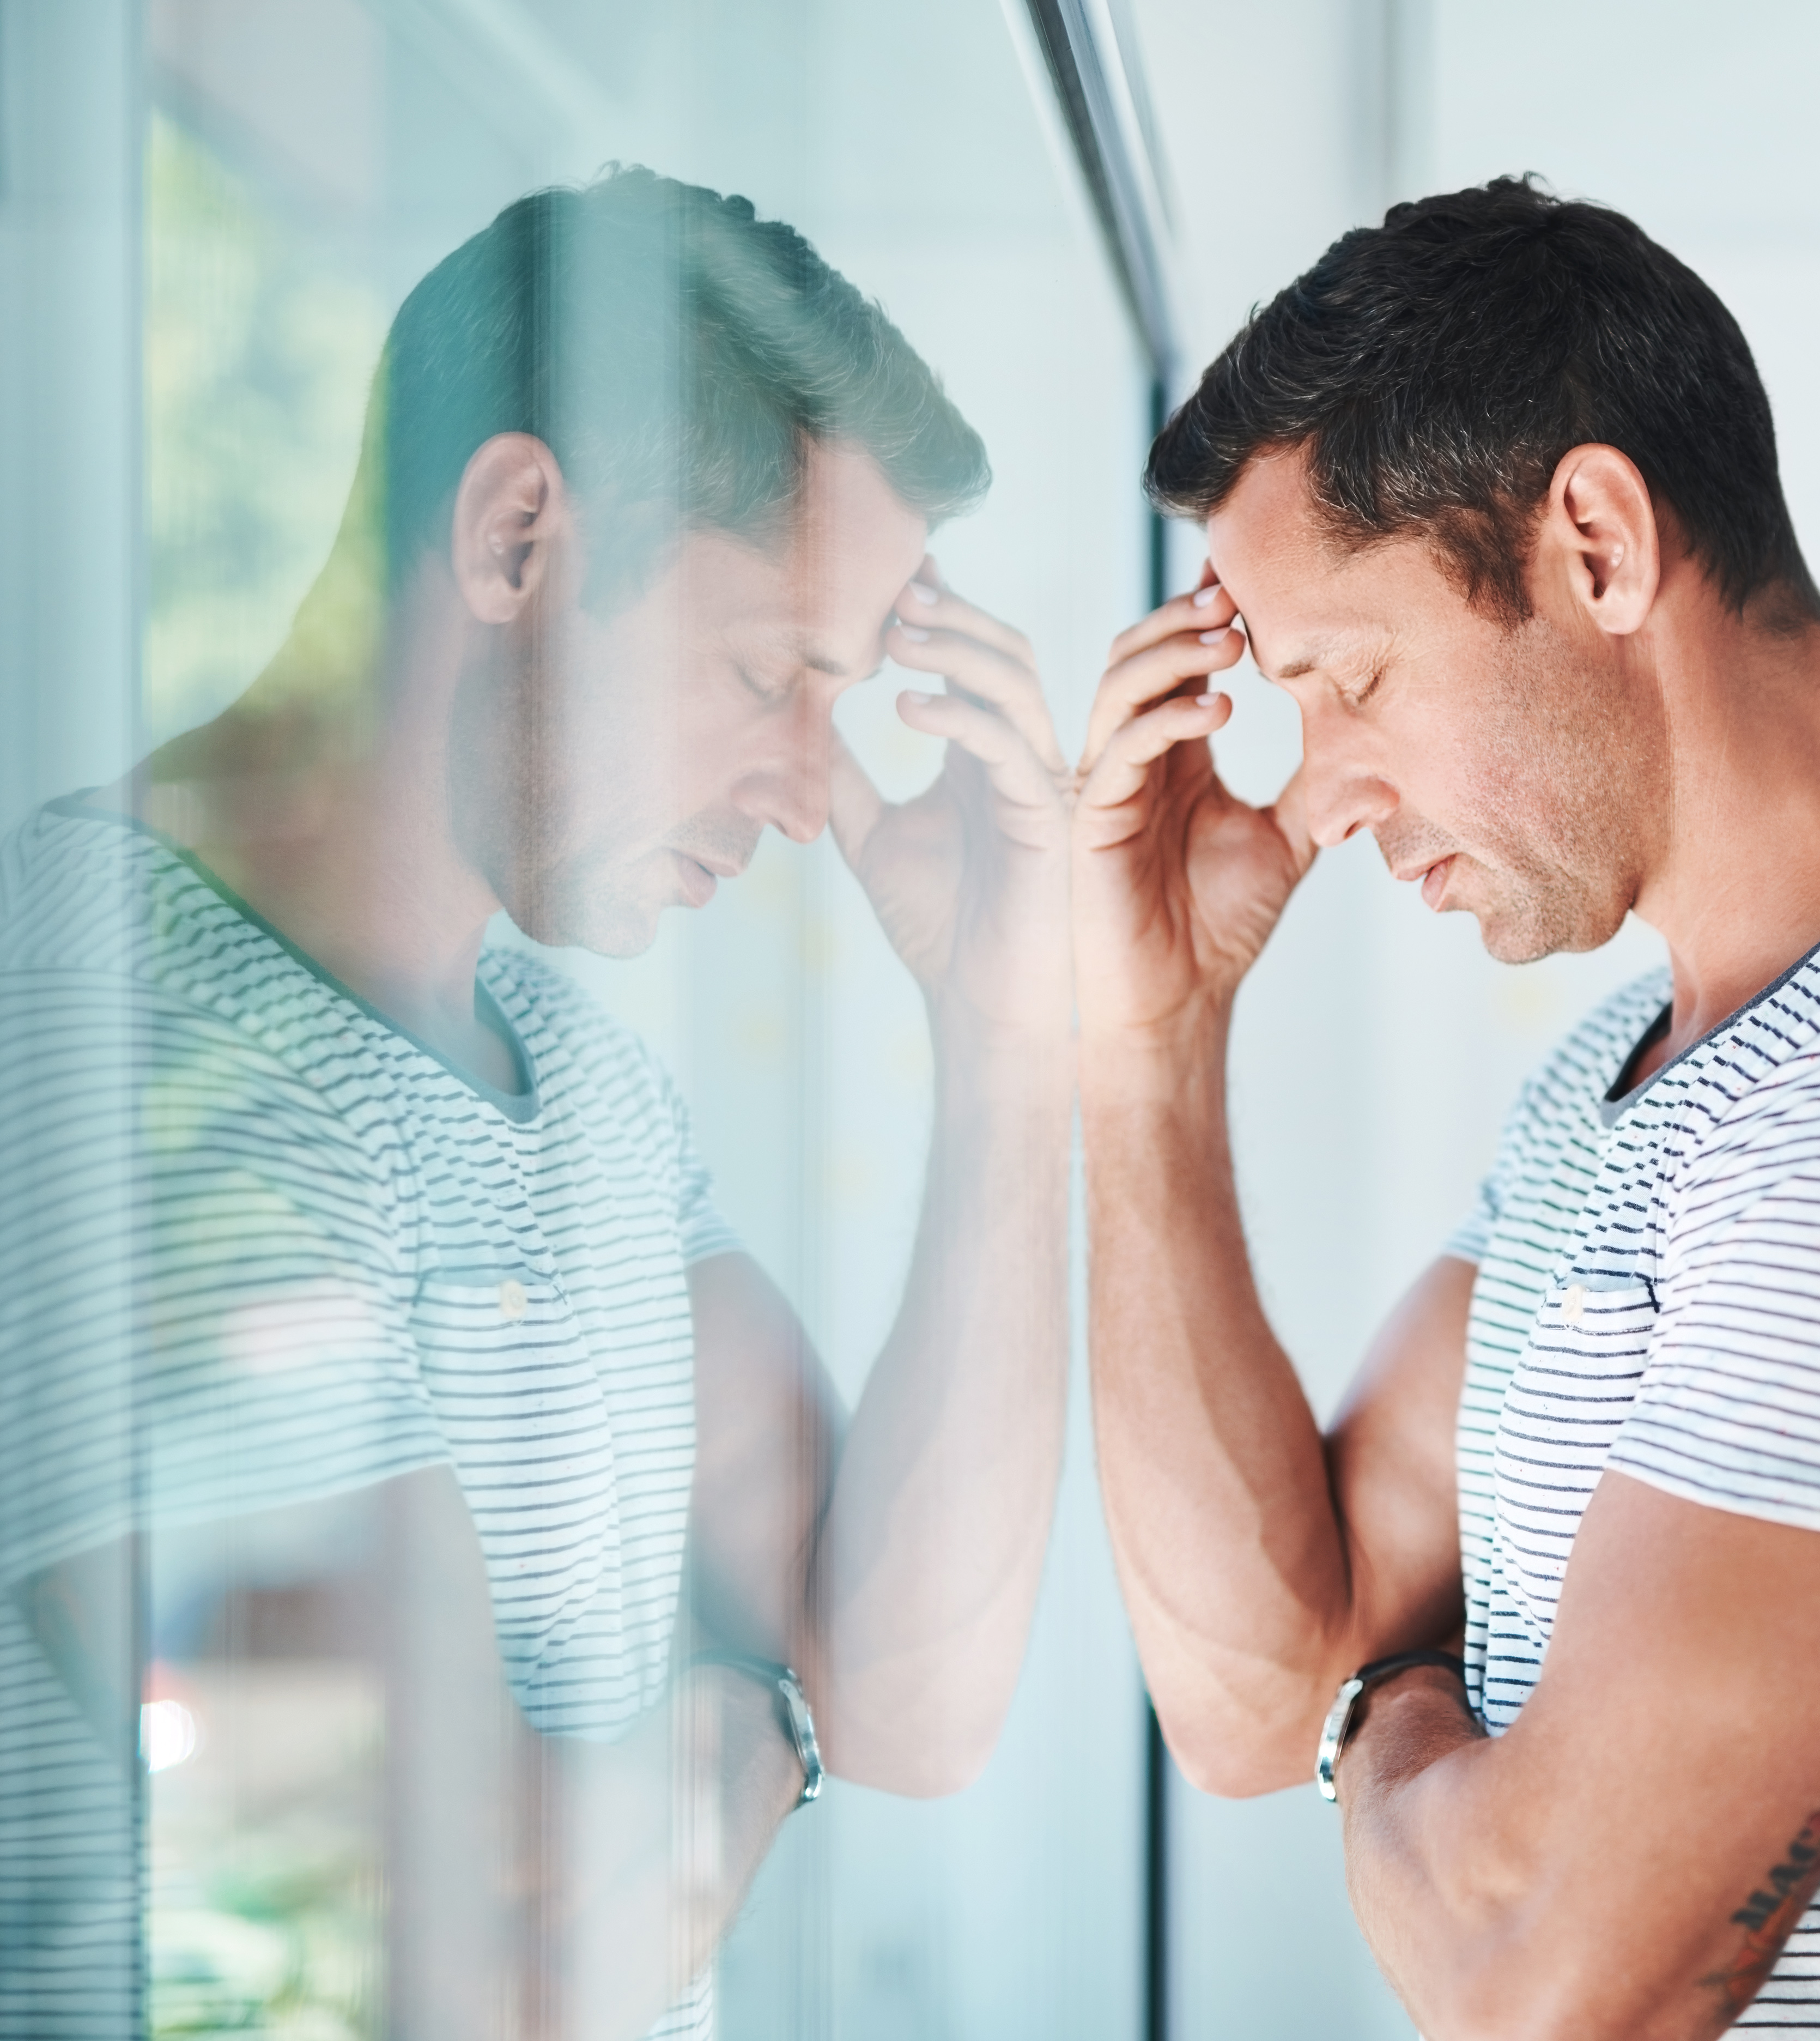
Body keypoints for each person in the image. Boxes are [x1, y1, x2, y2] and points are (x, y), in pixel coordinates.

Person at [1072, 177, 1820, 2038]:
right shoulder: (1633, 1072)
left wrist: (1384, 1702)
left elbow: (1546, 1979)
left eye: (1346, 682)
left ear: (1591, 544)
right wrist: (1148, 1037)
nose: (1315, 797)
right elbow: (1254, 1686)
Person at [0, 167, 1071, 2038]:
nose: (813, 792)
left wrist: (1002, 1040)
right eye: (770, 675)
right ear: (515, 540)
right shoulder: (123, 1054)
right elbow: (502, 1967)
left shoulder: (567, 1078)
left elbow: (907, 1691)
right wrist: (752, 1718)